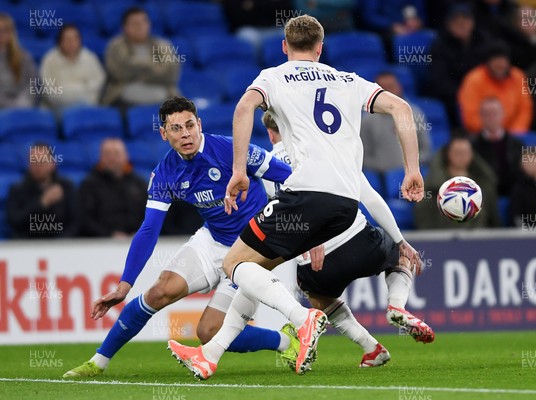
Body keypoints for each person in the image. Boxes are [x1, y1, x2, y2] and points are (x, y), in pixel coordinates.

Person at [167, 14, 424, 379]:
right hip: (346, 205)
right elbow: (401, 108)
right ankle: (209, 354)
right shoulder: (348, 80)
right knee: (257, 269)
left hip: (306, 193)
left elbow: (243, 108)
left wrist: (239, 171)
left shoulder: (273, 76)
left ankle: (303, 320)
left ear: (285, 47)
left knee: (234, 264)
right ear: (320, 49)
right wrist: (412, 169)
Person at [62, 97, 294, 378]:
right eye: (175, 128)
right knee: (159, 291)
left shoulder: (233, 150)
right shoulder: (165, 173)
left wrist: (301, 226)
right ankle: (98, 362)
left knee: (208, 331)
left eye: (189, 125)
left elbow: (292, 176)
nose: (185, 134)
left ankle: (284, 341)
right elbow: (149, 229)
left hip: (251, 249)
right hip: (213, 240)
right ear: (164, 133)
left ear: (200, 124)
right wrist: (125, 285)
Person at [263, 111, 434, 368]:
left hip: (316, 261)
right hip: (358, 241)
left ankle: (370, 347)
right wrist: (400, 241)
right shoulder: (333, 151)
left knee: (318, 297)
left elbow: (283, 215)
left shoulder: (267, 164)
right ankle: (396, 305)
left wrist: (308, 242)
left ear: (270, 133)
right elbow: (372, 199)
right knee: (400, 257)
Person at [414, 135, 500, 229]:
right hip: (442, 239)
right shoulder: (433, 185)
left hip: (477, 239)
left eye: (465, 152)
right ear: (448, 154)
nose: (461, 157)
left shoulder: (484, 184)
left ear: (472, 154)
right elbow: (423, 218)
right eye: (457, 152)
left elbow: (493, 220)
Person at [102, 7, 180, 108]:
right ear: (125, 27)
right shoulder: (116, 46)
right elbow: (120, 73)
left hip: (163, 95)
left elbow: (171, 73)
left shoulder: (162, 45)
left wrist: (139, 72)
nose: (140, 26)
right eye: (135, 23)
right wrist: (153, 69)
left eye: (144, 22)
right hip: (125, 97)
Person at [428, 3, 490, 127]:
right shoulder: (439, 47)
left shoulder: (484, 42)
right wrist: (465, 94)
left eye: (465, 19)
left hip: (481, 97)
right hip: (452, 100)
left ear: (473, 22)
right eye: (456, 20)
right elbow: (439, 81)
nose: (461, 24)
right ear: (448, 24)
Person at [361, 71, 431, 177]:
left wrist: (410, 166)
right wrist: (386, 169)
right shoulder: (367, 120)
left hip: (413, 174)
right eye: (383, 89)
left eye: (391, 86)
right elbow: (361, 155)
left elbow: (426, 150)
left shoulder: (415, 113)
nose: (389, 92)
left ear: (399, 87)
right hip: (381, 177)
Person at [457, 41, 532, 134]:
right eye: (495, 60)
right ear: (488, 62)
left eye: (503, 60)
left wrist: (515, 132)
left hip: (512, 135)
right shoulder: (474, 79)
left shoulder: (518, 76)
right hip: (481, 135)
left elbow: (525, 109)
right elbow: (469, 114)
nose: (500, 64)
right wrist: (493, 132)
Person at [78, 138, 147, 238]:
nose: (112, 158)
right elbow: (84, 219)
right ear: (100, 157)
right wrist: (109, 235)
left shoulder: (139, 184)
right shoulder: (89, 185)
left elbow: (150, 214)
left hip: (137, 240)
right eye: (107, 154)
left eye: (116, 154)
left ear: (126, 156)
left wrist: (140, 233)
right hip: (101, 244)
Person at [7, 143, 78, 238]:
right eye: (34, 162)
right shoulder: (17, 189)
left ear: (52, 163)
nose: (38, 166)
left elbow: (76, 221)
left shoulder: (66, 186)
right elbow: (15, 221)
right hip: (27, 245)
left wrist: (62, 242)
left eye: (42, 161)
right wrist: (42, 203)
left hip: (61, 245)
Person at [39, 24, 106, 112]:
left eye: (75, 39)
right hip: (57, 108)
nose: (72, 42)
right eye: (68, 39)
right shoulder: (49, 60)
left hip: (86, 106)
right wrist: (76, 91)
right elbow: (48, 91)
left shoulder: (90, 57)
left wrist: (79, 95)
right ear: (60, 41)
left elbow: (98, 85)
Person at [470, 97, 524, 197]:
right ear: (481, 116)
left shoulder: (516, 144)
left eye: (494, 113)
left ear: (503, 115)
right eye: (487, 114)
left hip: (513, 193)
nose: (491, 117)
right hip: (483, 194)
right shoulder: (472, 145)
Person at [0, 13, 37, 108]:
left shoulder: (24, 57)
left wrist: (24, 101)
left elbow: (34, 83)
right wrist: (10, 105)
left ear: (11, 33)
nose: (1, 34)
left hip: (22, 105)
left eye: (5, 30)